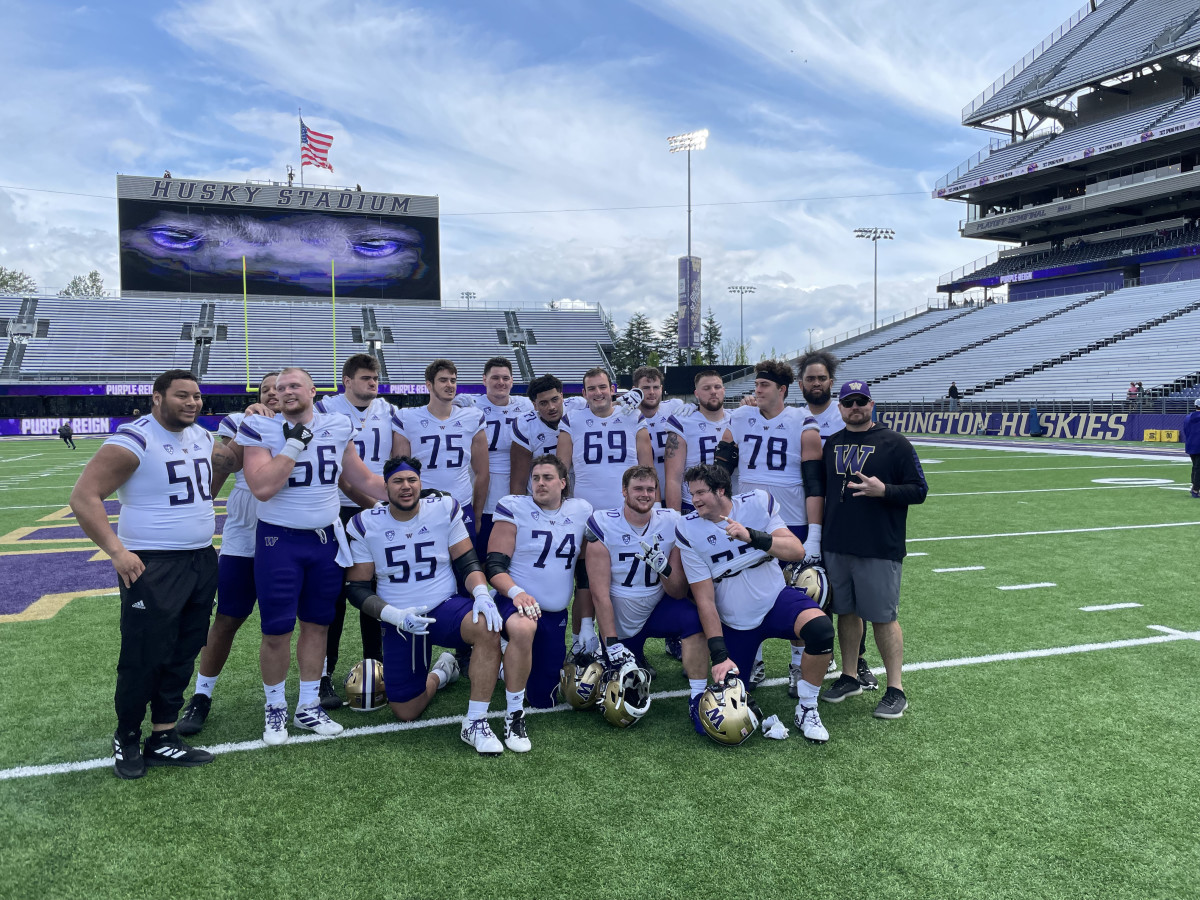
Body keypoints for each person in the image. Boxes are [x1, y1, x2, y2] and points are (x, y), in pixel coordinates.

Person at [69, 369, 218, 779]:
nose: (192, 403)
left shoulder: (203, 437)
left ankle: (164, 734)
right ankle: (127, 735)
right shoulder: (136, 437)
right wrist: (116, 551)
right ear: (157, 398)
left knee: (184, 650)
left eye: (197, 396)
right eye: (182, 396)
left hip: (200, 560)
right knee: (144, 654)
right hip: (152, 563)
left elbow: (211, 480)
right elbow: (84, 496)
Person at [236, 366, 388, 745]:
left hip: (325, 542)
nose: (286, 392)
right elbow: (262, 487)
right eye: (279, 387)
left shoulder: (336, 424)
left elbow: (362, 478)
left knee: (318, 624)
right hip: (279, 542)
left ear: (312, 390)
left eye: (294, 386)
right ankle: (275, 709)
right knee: (276, 630)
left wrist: (412, 494)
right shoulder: (258, 428)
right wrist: (294, 443)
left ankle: (307, 706)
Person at [344, 456, 506, 755]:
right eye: (397, 481)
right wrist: (394, 616)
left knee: (486, 626)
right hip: (400, 619)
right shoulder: (367, 523)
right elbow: (357, 589)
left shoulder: (443, 509)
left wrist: (481, 593)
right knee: (406, 711)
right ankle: (443, 672)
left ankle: (476, 721)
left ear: (420, 482)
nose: (406, 487)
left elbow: (467, 562)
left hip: (444, 606)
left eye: (411, 480)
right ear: (386, 486)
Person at [675, 464, 835, 742]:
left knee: (821, 630)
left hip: (775, 600)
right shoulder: (688, 529)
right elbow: (705, 599)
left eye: (701, 492)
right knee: (727, 718)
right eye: (692, 493)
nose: (695, 499)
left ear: (721, 490)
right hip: (735, 620)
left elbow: (796, 551)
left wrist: (752, 536)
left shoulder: (757, 503)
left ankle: (807, 707)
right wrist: (719, 654)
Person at [177, 372, 280, 736]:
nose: (272, 395)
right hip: (243, 537)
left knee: (299, 621)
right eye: (266, 389)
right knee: (227, 618)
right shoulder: (240, 421)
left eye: (278, 389)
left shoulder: (304, 423)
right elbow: (224, 466)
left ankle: (306, 690)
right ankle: (201, 694)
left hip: (287, 536)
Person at [819, 380, 928, 719]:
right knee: (846, 614)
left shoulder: (894, 443)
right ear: (839, 407)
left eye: (861, 401)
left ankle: (896, 688)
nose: (855, 407)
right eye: (849, 402)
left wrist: (885, 491)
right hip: (838, 544)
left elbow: (919, 490)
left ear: (872, 404)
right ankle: (849, 676)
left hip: (879, 546)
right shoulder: (832, 443)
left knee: (883, 618)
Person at [718, 359, 823, 690]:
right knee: (749, 588)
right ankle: (757, 658)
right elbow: (722, 467)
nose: (757, 390)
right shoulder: (740, 416)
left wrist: (815, 536)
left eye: (763, 385)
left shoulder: (802, 423)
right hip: (748, 520)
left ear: (782, 390)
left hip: (791, 520)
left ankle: (796, 665)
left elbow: (814, 484)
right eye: (756, 385)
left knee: (800, 590)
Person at [584, 465, 708, 730]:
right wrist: (612, 642)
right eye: (638, 489)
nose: (645, 494)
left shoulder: (671, 520)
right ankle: (629, 654)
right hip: (618, 612)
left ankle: (698, 695)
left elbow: (676, 590)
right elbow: (599, 592)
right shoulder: (604, 522)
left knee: (694, 619)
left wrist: (664, 568)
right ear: (624, 491)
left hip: (656, 607)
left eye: (650, 489)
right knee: (584, 695)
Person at [485, 454, 591, 751]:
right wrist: (516, 592)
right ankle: (514, 716)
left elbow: (584, 573)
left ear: (563, 482)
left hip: (554, 613)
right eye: (535, 478)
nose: (540, 483)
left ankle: (506, 666)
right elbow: (494, 566)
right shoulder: (514, 507)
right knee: (523, 628)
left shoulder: (581, 510)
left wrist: (585, 625)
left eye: (547, 477)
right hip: (514, 602)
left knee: (545, 699)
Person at [315, 353, 395, 708]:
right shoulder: (324, 407)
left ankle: (377, 669)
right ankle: (322, 676)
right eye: (365, 377)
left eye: (375, 377)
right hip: (339, 511)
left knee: (373, 595)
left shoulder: (389, 410)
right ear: (346, 381)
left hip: (379, 510)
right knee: (332, 598)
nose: (372, 383)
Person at [796, 349, 877, 693]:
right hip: (808, 513)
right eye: (810, 378)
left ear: (831, 381)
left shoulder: (845, 413)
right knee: (818, 588)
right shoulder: (793, 416)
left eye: (821, 378)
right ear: (800, 383)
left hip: (849, 513)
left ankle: (857, 659)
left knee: (854, 595)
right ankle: (823, 652)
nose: (816, 383)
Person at [557, 366, 653, 654]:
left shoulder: (633, 415)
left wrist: (652, 507)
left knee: (627, 579)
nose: (598, 393)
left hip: (627, 510)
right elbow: (562, 470)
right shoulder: (572, 419)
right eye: (591, 389)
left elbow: (647, 469)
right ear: (583, 393)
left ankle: (626, 646)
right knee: (585, 577)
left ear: (612, 389)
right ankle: (582, 641)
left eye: (603, 387)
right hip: (587, 510)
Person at [390, 359, 489, 549]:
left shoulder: (472, 417)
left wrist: (476, 515)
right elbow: (400, 472)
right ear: (429, 385)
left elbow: (482, 472)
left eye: (453, 380)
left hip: (461, 504)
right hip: (423, 506)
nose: (450, 385)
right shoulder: (408, 418)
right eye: (443, 380)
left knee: (465, 570)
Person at [470, 357, 534, 557]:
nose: (501, 382)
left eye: (506, 378)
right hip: (484, 484)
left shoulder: (526, 405)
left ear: (512, 381)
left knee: (515, 550)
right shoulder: (471, 406)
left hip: (519, 482)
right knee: (482, 548)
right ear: (484, 380)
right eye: (495, 377)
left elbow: (561, 405)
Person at [632, 366, 686, 510]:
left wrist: (694, 407)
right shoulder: (627, 416)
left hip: (675, 493)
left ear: (661, 388)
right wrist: (618, 404)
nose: (651, 392)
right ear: (635, 390)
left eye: (656, 387)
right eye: (646, 388)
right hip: (644, 495)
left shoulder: (674, 408)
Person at [510, 374, 566, 493]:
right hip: (541, 498)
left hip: (573, 495)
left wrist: (617, 402)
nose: (551, 407)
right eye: (543, 403)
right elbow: (519, 480)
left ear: (562, 396)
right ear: (534, 405)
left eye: (555, 399)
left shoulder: (578, 406)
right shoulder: (526, 425)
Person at [1183, 397, 1200, 499]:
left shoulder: (1188, 417)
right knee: (1198, 468)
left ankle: (1194, 485)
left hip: (1190, 444)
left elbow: (1185, 430)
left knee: (1195, 467)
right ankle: (1195, 489)